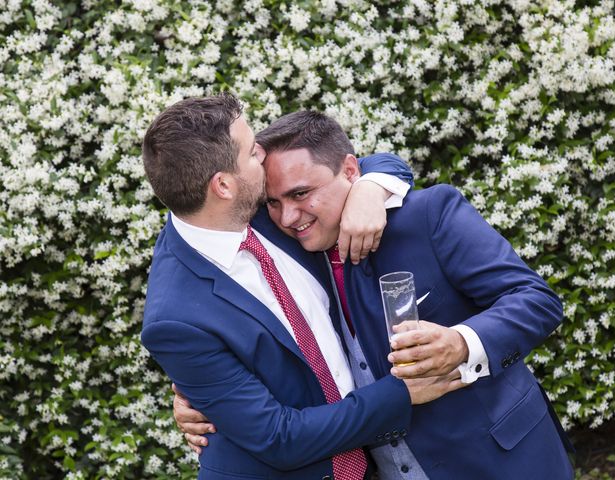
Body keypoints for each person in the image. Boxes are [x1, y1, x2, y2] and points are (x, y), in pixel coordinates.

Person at [177, 110, 575, 479]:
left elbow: (535, 299)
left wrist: (462, 342)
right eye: (274, 203)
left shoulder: (429, 215)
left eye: (301, 194)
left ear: (351, 170)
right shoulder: (288, 248)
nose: (288, 217)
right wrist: (200, 388)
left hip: (504, 460)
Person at [140, 94, 466, 480]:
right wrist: (405, 392)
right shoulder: (174, 318)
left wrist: (368, 189)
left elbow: (355, 162)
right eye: (250, 152)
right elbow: (280, 439)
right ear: (223, 185)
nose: (262, 152)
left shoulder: (261, 208)